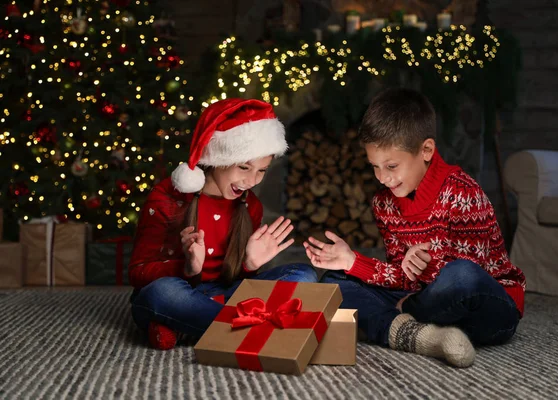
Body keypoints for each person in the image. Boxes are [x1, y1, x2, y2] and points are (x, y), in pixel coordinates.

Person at [306, 88, 526, 367]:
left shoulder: (463, 193)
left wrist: (414, 292)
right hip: (426, 300)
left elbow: (470, 279)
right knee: (334, 282)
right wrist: (352, 262)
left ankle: (400, 319)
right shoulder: (384, 204)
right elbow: (402, 278)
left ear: (426, 150)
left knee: (460, 276)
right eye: (374, 166)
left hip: (488, 310)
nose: (383, 177)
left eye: (391, 166)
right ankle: (421, 335)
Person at [129, 98, 318, 350]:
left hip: (225, 294)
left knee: (304, 275)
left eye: (261, 171)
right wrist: (187, 268)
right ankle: (251, 328)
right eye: (243, 167)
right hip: (181, 292)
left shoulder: (250, 205)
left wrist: (249, 265)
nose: (252, 181)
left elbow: (235, 280)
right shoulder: (167, 199)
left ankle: (193, 325)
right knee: (161, 294)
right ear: (218, 158)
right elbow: (138, 272)